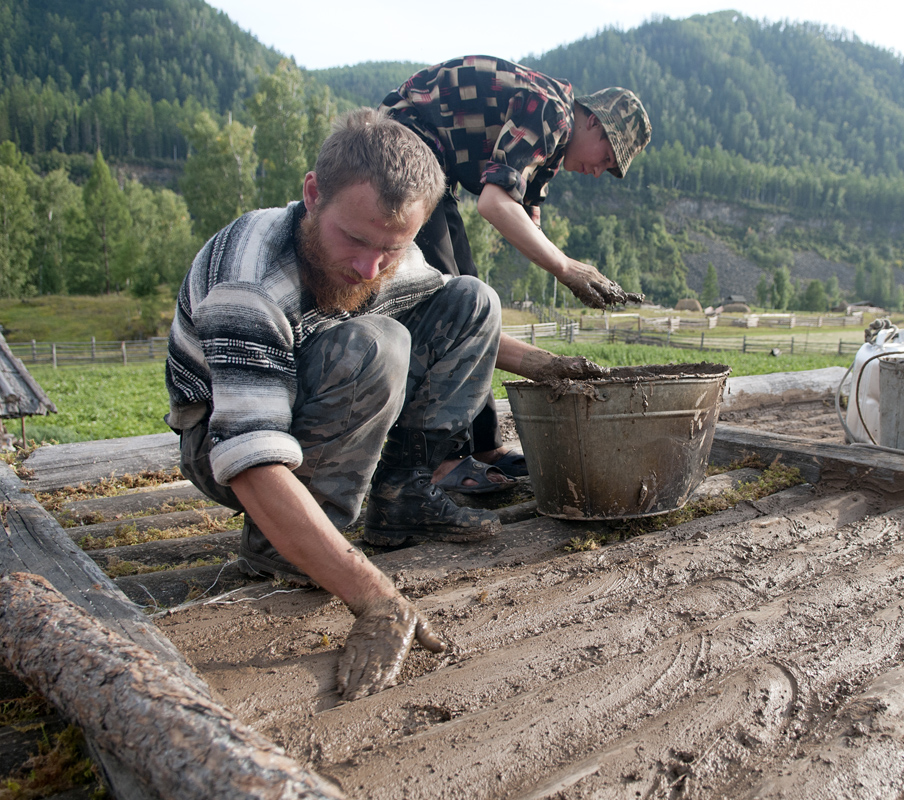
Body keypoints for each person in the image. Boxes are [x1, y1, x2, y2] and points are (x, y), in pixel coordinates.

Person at [165, 108, 606, 700]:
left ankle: (402, 498)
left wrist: (550, 367)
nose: (369, 268)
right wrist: (376, 599)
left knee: (473, 300)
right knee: (376, 345)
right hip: (226, 444)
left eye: (391, 250)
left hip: (308, 406)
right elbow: (249, 458)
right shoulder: (248, 287)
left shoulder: (384, 252)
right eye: (354, 239)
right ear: (313, 194)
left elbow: (459, 321)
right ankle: (283, 546)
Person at [379, 55, 651, 484]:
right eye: (608, 159)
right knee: (451, 307)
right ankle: (441, 460)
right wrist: (567, 268)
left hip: (433, 168)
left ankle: (483, 443)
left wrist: (573, 269)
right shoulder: (552, 110)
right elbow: (493, 203)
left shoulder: (550, 154)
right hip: (402, 149)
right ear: (595, 124)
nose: (600, 172)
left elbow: (525, 216)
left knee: (476, 307)